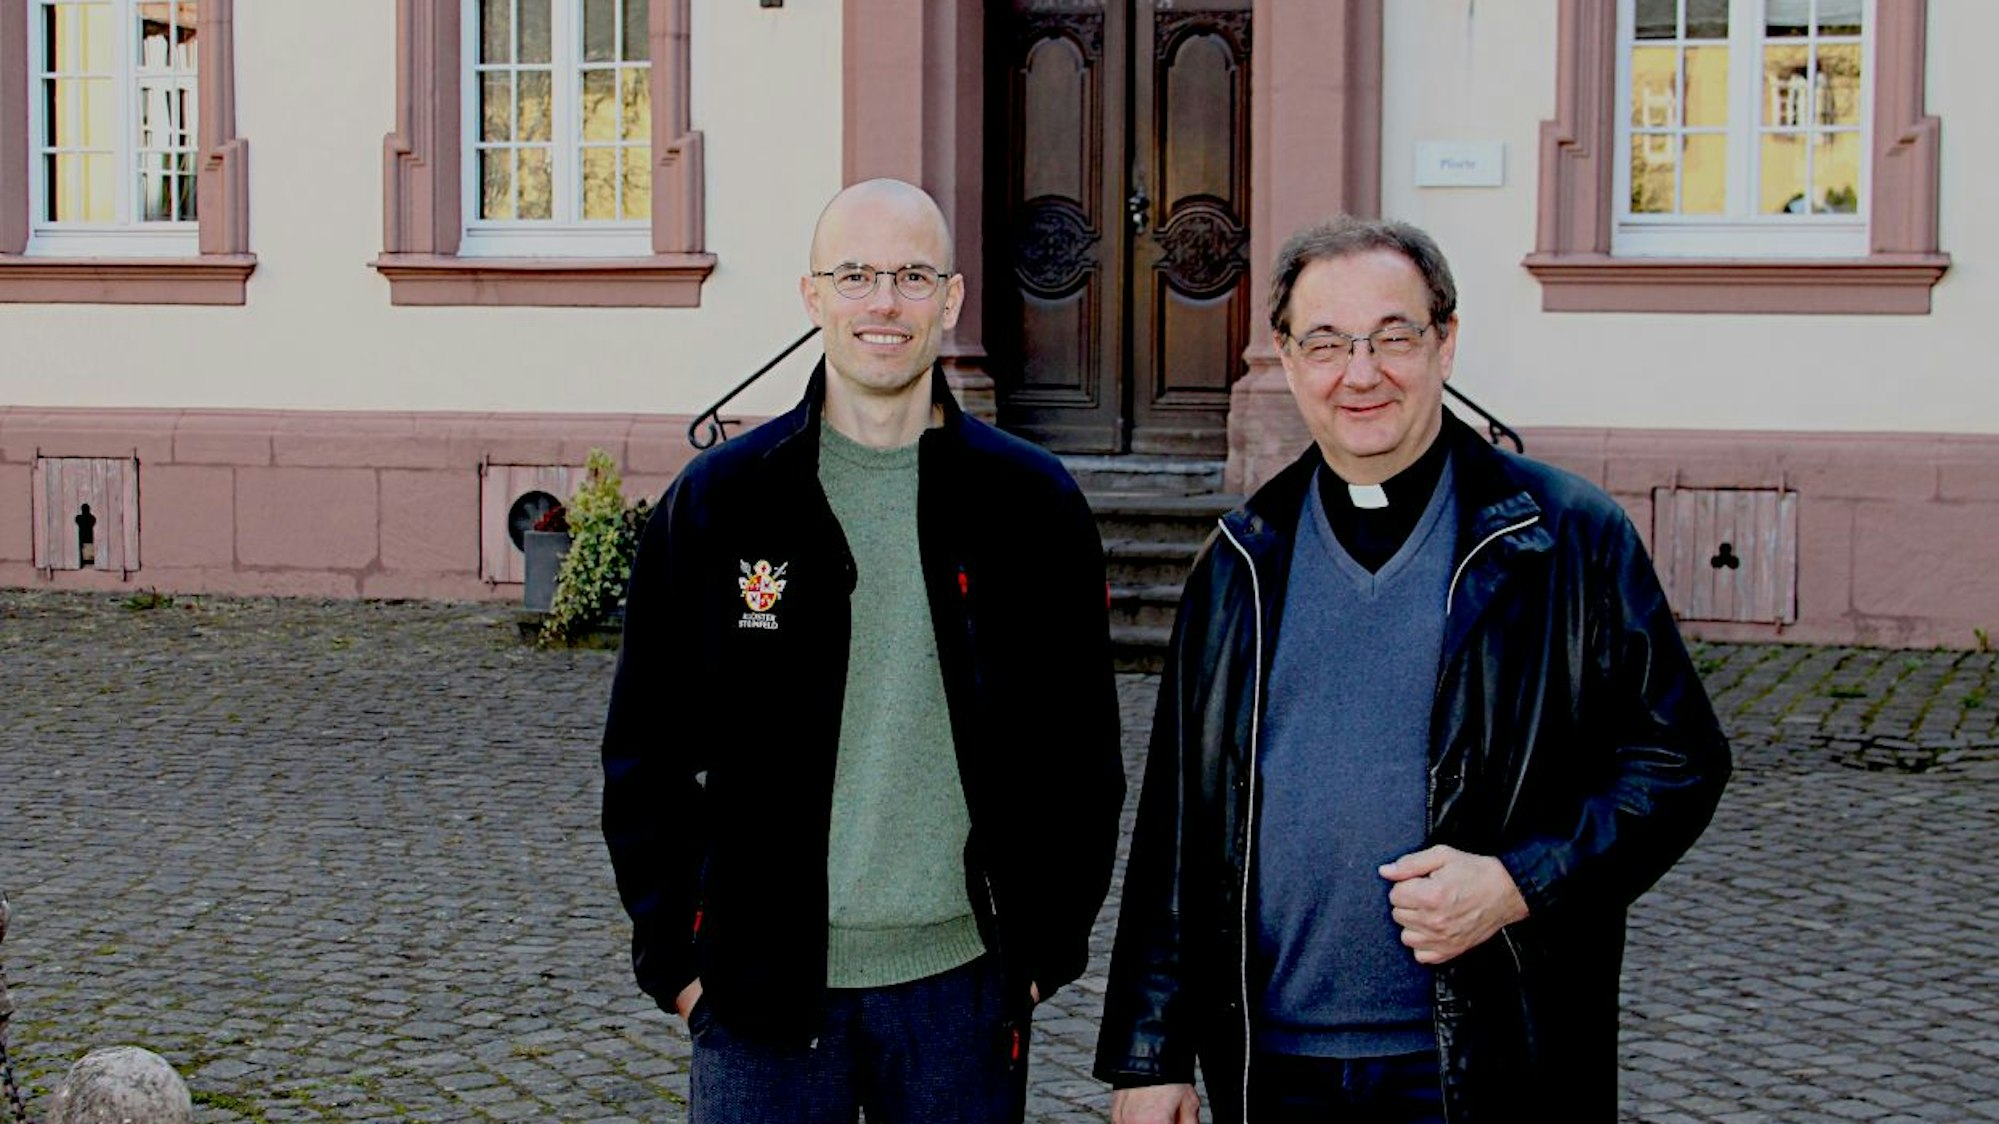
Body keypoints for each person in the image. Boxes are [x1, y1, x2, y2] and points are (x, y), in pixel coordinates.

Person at [1094, 215, 1731, 1123]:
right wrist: (1149, 1055)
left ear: (1445, 342)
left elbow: (1679, 762)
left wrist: (1520, 882)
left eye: (1393, 337)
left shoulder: (1563, 542)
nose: (1360, 374)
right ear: (1285, 356)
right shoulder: (1238, 561)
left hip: (1479, 1059)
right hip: (1271, 1067)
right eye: (1324, 343)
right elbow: (1177, 829)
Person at [601, 178, 1125, 1124]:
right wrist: (679, 965)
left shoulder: (1029, 506)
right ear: (812, 297)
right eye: (855, 275)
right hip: (758, 994)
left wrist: (1045, 949)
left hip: (960, 990)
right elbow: (646, 754)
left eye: (911, 276)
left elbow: (1081, 755)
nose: (883, 302)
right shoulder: (720, 503)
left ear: (951, 300)